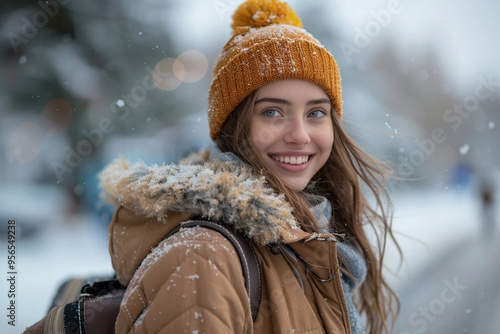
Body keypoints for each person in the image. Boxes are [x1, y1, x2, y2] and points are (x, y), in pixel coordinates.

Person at [99, 0, 400, 333]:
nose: (300, 135)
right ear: (233, 126)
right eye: (272, 111)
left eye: (316, 112)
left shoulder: (307, 239)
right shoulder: (202, 257)